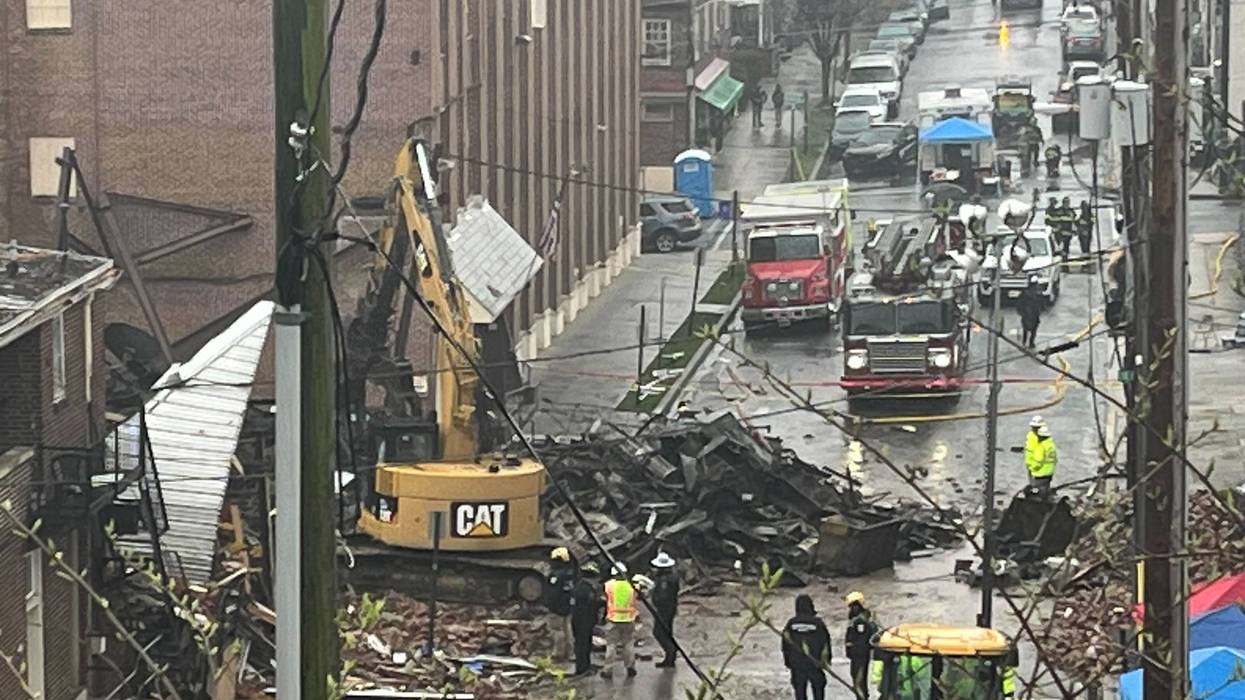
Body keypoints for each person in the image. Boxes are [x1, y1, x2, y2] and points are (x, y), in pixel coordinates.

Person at [782, 594, 832, 700]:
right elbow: (826, 642)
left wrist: (788, 662)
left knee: (800, 692)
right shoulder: (818, 623)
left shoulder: (791, 624)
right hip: (815, 663)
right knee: (818, 690)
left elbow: (785, 644)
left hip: (797, 664)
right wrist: (827, 661)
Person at [602, 562, 638, 678]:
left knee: (611, 645)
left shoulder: (609, 585)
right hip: (629, 619)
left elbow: (605, 598)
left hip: (613, 620)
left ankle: (608, 670)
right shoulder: (632, 586)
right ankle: (630, 667)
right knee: (628, 645)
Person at [570, 562, 604, 676]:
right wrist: (601, 602)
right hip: (583, 620)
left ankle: (586, 665)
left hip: (584, 620)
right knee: (582, 645)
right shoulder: (584, 589)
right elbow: (590, 604)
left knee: (586, 643)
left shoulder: (582, 586)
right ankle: (582, 668)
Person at [844, 592, 878, 700]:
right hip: (859, 655)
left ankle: (862, 697)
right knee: (858, 679)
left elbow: (860, 640)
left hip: (859, 655)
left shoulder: (860, 622)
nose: (851, 609)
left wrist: (853, 651)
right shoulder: (860, 619)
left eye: (853, 606)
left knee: (859, 679)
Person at [545, 547, 578, 661]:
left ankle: (558, 654)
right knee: (567, 629)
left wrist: (549, 605)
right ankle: (570, 653)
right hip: (567, 605)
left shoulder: (555, 576)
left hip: (557, 607)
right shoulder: (570, 574)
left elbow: (553, 593)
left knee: (556, 630)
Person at [649, 551, 680, 668]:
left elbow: (663, 595)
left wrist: (654, 596)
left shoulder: (664, 580)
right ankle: (669, 658)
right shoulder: (673, 576)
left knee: (658, 632)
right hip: (671, 606)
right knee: (667, 632)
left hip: (664, 608)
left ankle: (670, 651)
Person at [1024, 418, 1058, 497]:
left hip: (1038, 472)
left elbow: (1038, 460)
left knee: (1037, 493)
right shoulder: (1050, 444)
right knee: (1044, 490)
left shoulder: (1041, 446)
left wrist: (1032, 467)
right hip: (1048, 472)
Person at [1019, 275, 1044, 349]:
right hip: (1028, 313)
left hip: (1033, 313)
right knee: (1028, 329)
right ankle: (1027, 342)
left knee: (1031, 329)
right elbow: (1020, 303)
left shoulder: (1036, 292)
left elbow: (1041, 302)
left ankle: (1029, 342)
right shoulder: (1026, 293)